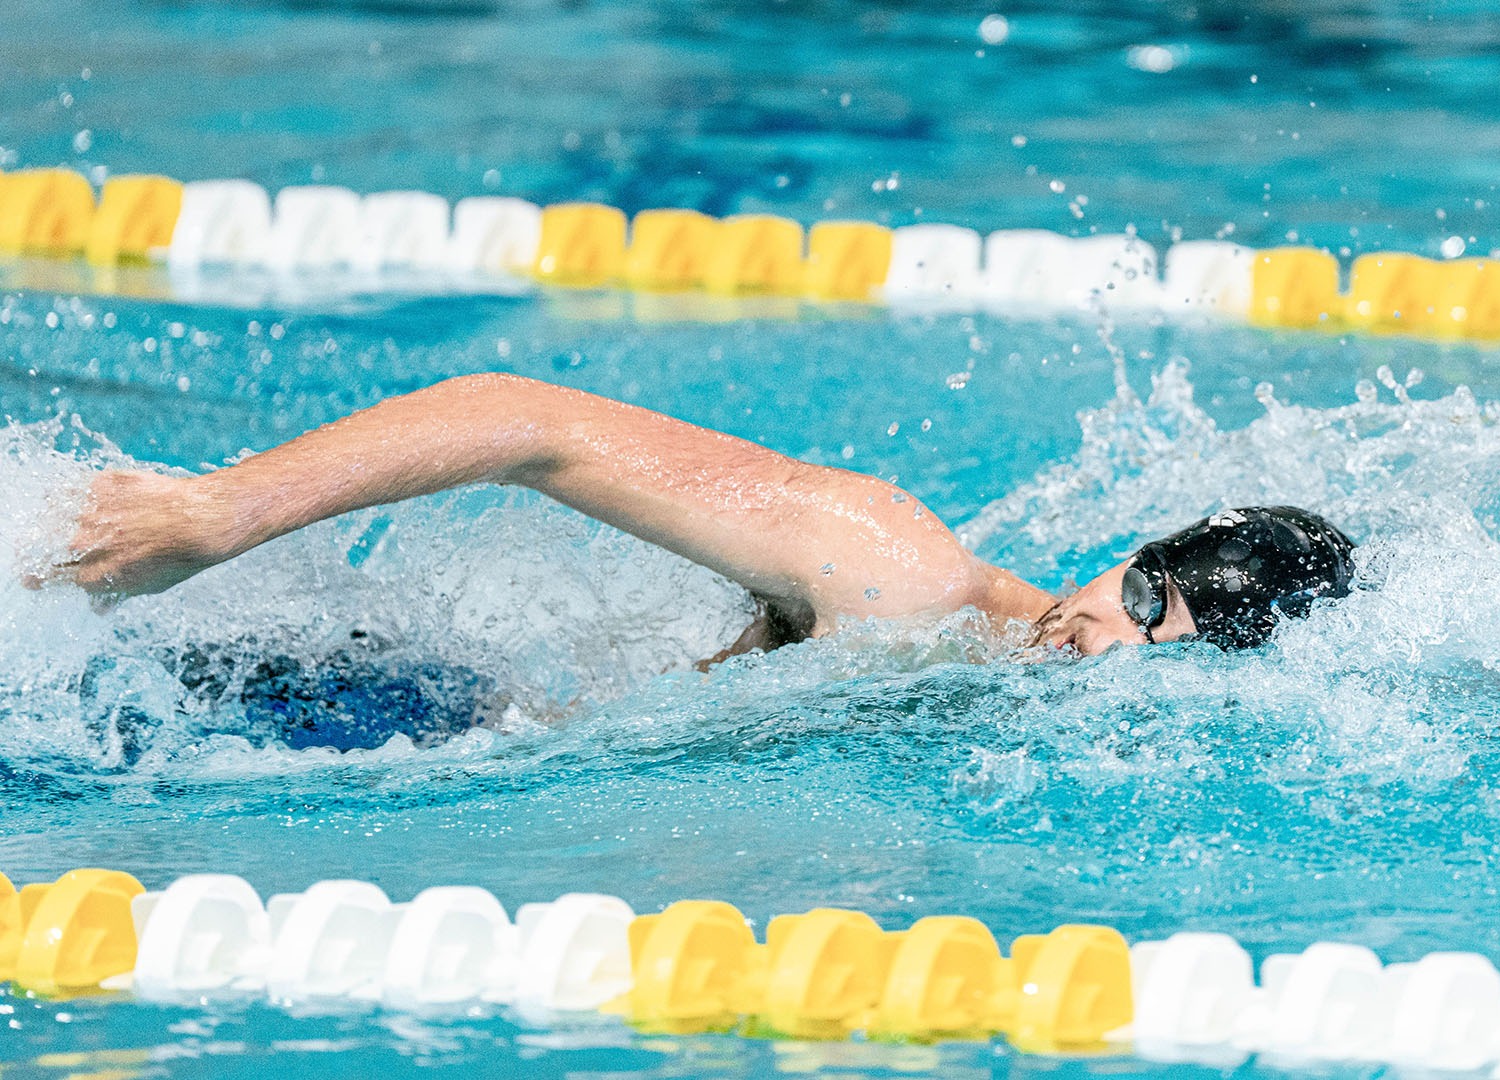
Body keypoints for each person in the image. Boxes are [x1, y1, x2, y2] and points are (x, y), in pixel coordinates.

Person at [43, 374, 1356, 662]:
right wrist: (220, 512)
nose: (1109, 641)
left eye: (1163, 648)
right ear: (1127, 558)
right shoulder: (897, 572)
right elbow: (527, 421)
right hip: (348, 711)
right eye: (1141, 596)